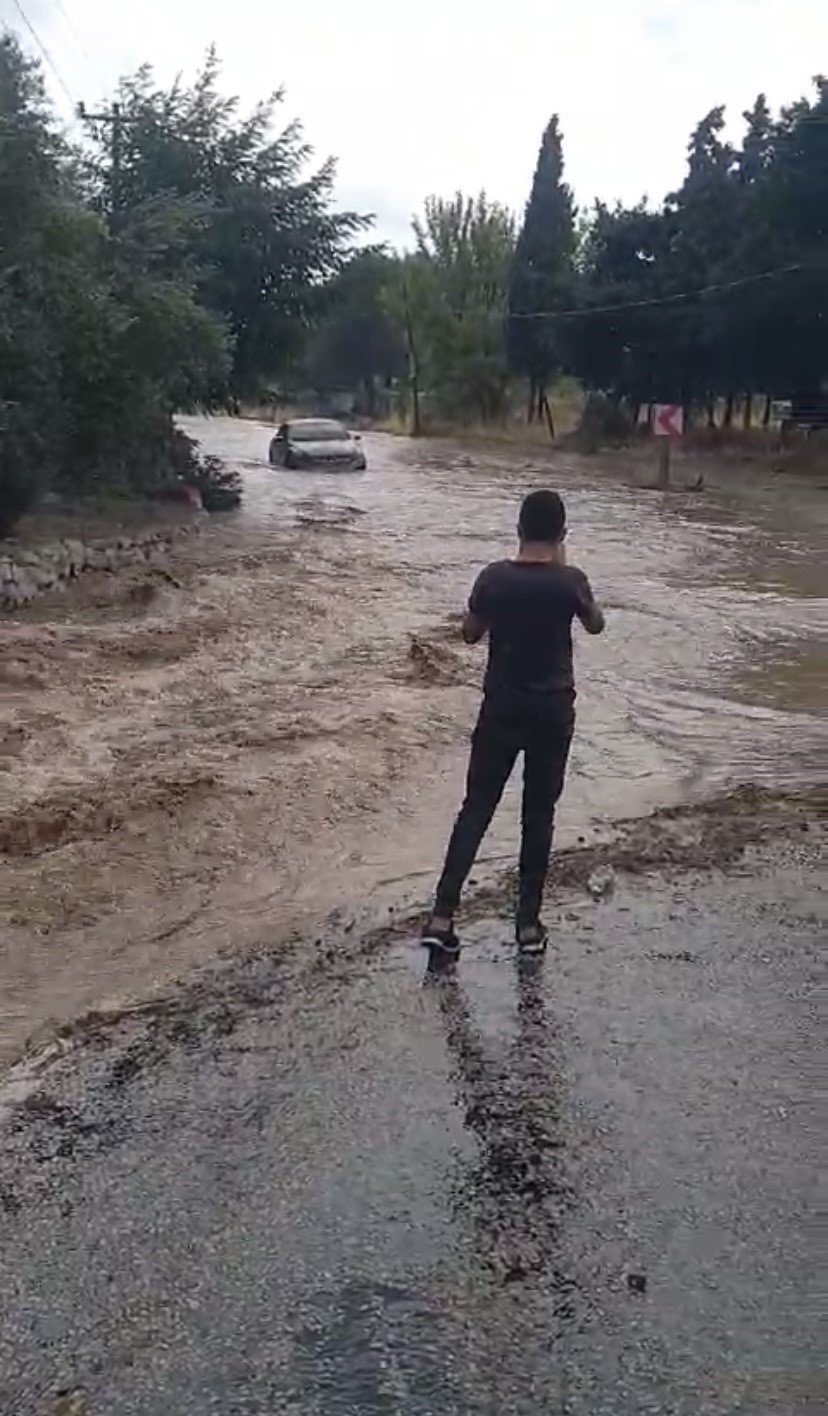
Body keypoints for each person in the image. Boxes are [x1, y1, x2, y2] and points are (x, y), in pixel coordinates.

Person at [422, 488, 605, 959]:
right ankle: (527, 926)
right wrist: (565, 563)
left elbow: (467, 634)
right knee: (538, 814)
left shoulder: (493, 578)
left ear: (518, 529)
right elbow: (596, 624)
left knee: (476, 808)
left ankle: (442, 917)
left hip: (500, 708)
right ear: (561, 533)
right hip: (552, 711)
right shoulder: (570, 581)